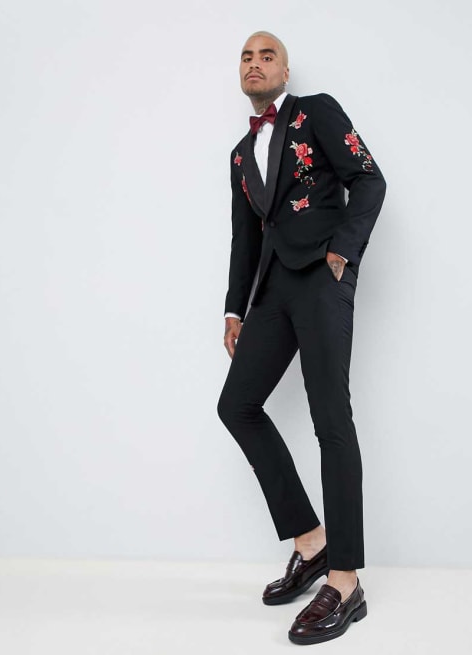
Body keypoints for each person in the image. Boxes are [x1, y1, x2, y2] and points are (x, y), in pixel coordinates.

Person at [216, 31, 387, 645]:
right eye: (246, 56)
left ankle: (345, 580)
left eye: (267, 55)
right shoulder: (241, 153)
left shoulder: (317, 111)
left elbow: (369, 180)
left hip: (321, 276)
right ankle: (311, 544)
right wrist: (234, 309)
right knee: (236, 406)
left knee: (330, 419)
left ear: (284, 70)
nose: (255, 63)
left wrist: (343, 251)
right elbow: (245, 237)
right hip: (271, 291)